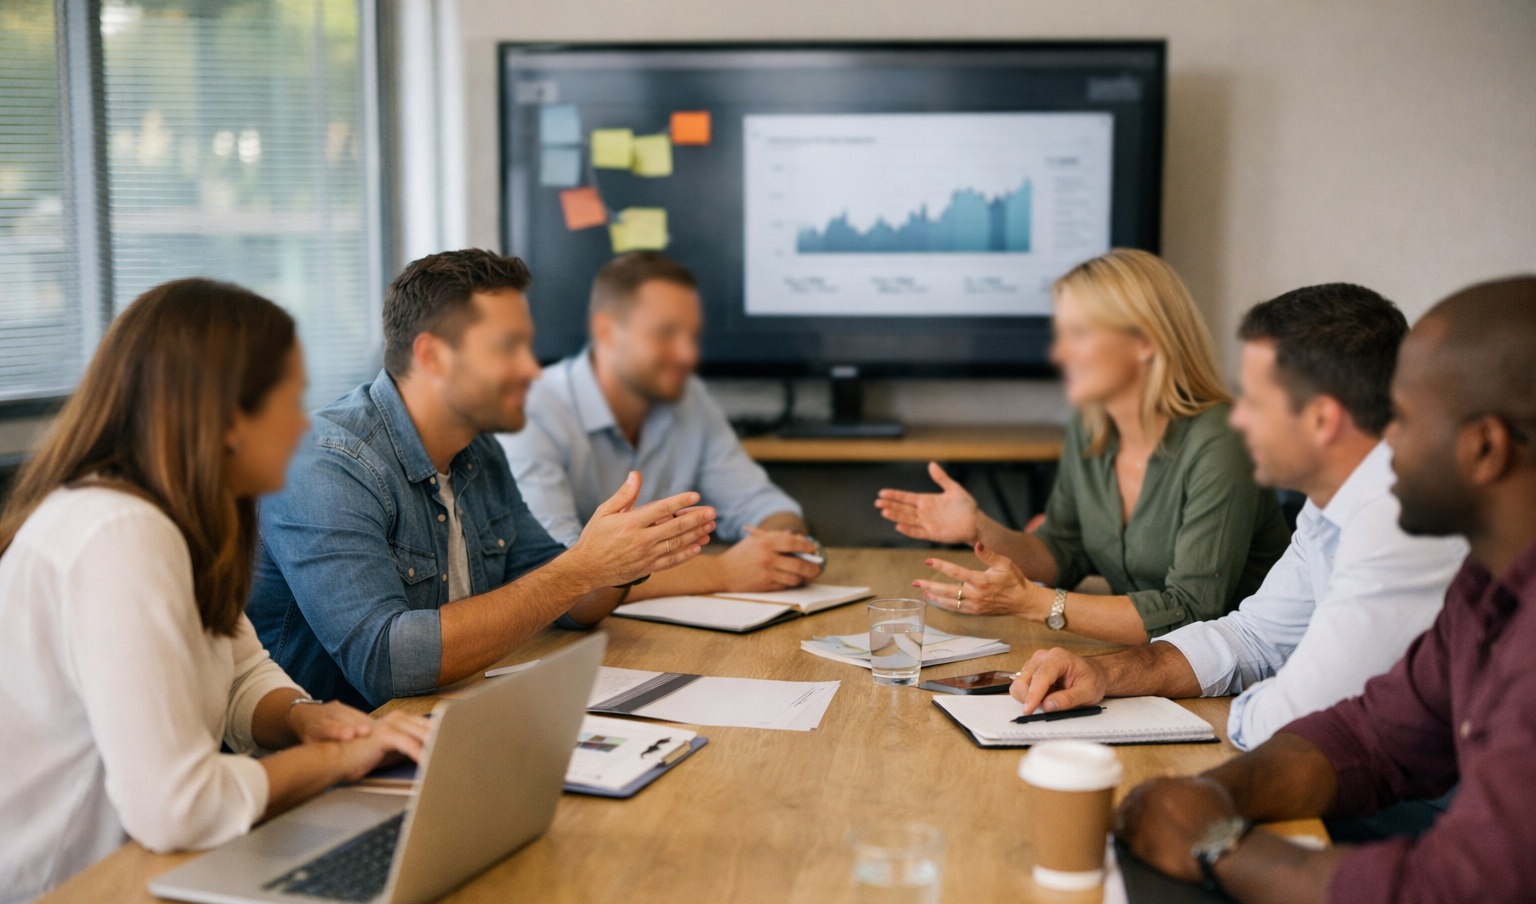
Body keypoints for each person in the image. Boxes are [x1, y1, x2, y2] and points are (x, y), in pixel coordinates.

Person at [1114, 277, 1536, 904]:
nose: (1386, 442)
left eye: (1403, 419)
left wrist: (1216, 845)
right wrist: (1222, 793)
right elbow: (1371, 734)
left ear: (1483, 448)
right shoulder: (1486, 587)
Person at [0, 280, 429, 904]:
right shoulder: (121, 535)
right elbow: (179, 807)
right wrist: (339, 759)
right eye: (289, 400)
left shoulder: (180, 516)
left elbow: (238, 671)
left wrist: (305, 718)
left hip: (143, 876)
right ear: (229, 420)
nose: (301, 423)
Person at [247, 250, 717, 710]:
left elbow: (567, 603)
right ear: (432, 356)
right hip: (327, 766)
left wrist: (620, 561)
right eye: (507, 347)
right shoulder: (324, 464)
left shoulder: (478, 449)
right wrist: (580, 570)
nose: (533, 369)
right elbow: (387, 663)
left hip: (446, 723)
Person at [1009, 284, 1468, 751]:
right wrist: (1105, 673)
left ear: (1321, 420)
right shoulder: (1330, 504)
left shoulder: (1399, 523)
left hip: (1417, 812)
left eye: (1254, 402)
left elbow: (1291, 719)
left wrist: (1254, 701)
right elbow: (1252, 638)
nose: (1238, 420)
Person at [876, 249, 1290, 646]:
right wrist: (980, 529)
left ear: (1146, 342)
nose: (1058, 353)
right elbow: (1062, 550)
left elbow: (1191, 611)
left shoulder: (1222, 440)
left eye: (1080, 333)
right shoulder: (1091, 428)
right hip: (1149, 665)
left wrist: (1034, 603)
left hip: (1235, 678)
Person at [500, 253, 821, 600]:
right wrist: (723, 571)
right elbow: (559, 574)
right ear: (607, 330)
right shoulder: (530, 410)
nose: (687, 355)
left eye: (693, 336)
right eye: (666, 333)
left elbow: (760, 505)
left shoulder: (688, 399)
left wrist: (784, 544)